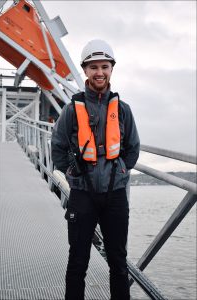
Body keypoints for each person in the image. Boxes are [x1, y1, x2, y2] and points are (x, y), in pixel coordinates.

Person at [51, 39, 140, 300]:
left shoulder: (123, 110)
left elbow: (133, 149)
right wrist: (73, 172)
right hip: (82, 195)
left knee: (118, 262)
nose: (99, 72)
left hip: (115, 195)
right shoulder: (71, 110)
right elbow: (57, 148)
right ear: (85, 71)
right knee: (77, 261)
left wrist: (120, 170)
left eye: (104, 66)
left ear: (111, 69)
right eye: (93, 67)